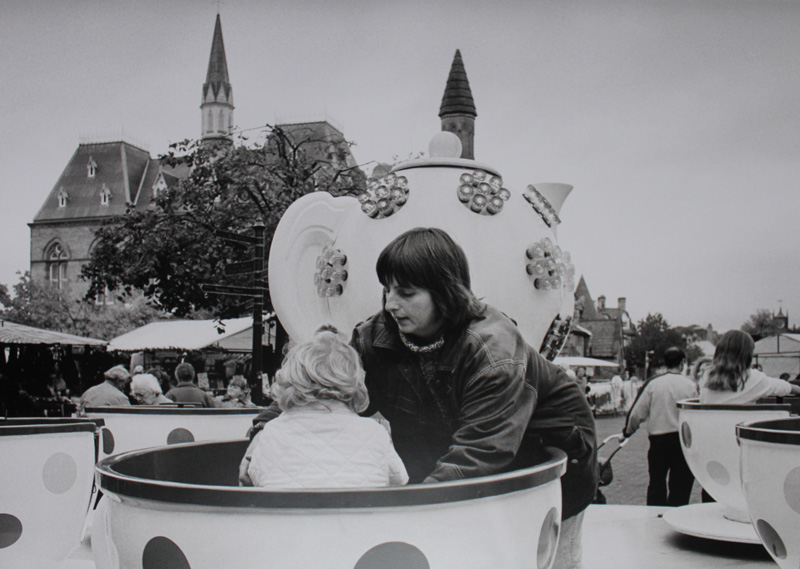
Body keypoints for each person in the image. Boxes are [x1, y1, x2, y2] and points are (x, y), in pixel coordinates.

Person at [351, 228, 596, 569]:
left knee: (543, 558)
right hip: (465, 453)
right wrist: (268, 431)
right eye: (387, 290)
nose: (391, 304)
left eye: (406, 293)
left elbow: (482, 450)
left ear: (445, 291)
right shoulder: (373, 337)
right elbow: (321, 386)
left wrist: (410, 512)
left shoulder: (493, 350)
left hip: (547, 446)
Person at [240, 327, 408, 489]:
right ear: (356, 380)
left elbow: (251, 478)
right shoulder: (375, 433)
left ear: (288, 379)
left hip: (289, 516)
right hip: (359, 516)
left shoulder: (271, 433)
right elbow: (399, 480)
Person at [623, 347, 697, 506]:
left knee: (656, 483)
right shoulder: (690, 386)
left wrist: (628, 432)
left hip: (658, 441)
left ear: (665, 362)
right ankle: (676, 517)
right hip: (681, 441)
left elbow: (637, 413)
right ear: (683, 363)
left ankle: (654, 518)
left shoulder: (653, 384)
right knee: (680, 486)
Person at [700, 330, 800, 404]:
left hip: (711, 430)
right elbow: (785, 387)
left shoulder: (706, 377)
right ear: (747, 356)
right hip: (739, 431)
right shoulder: (755, 379)